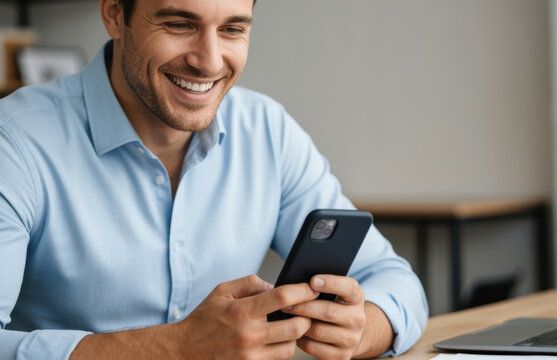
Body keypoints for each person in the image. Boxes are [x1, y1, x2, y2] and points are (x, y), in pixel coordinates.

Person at [0, 0, 428, 359]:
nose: (208, 61)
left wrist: (360, 328)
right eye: (179, 24)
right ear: (114, 13)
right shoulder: (16, 142)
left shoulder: (267, 132)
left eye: (232, 30)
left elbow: (395, 280)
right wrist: (176, 349)